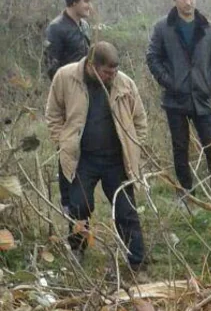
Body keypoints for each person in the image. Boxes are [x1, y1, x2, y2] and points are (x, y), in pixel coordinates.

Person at [46, 42, 148, 281]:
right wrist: (62, 142)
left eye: (114, 72)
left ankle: (137, 262)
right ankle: (78, 249)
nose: (111, 77)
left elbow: (140, 120)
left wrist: (134, 145)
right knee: (79, 207)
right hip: (83, 159)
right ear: (92, 65)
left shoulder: (125, 84)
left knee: (126, 211)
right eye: (106, 72)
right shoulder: (66, 77)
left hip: (116, 160)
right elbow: (53, 113)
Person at [146, 0, 211, 196]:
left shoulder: (209, 28)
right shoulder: (163, 27)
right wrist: (170, 82)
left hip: (203, 98)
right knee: (180, 149)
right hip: (176, 100)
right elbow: (152, 57)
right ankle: (186, 193)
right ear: (174, 0)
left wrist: (210, 85)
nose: (187, 1)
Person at [44, 0, 94, 215]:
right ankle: (66, 201)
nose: (89, 6)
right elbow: (51, 67)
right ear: (73, 1)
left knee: (83, 145)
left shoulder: (84, 26)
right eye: (86, 1)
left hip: (86, 97)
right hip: (66, 98)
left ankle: (81, 192)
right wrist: (65, 94)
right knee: (66, 146)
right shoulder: (56, 28)